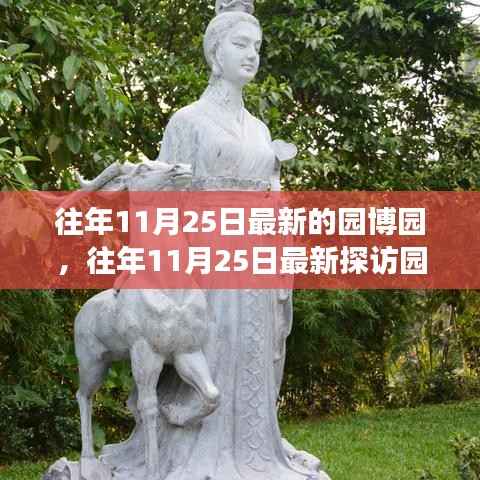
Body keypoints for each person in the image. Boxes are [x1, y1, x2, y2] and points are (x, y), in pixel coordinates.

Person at [101, 2, 330, 479]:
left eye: (257, 47)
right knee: (211, 345)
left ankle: (254, 444)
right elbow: (158, 196)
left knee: (255, 351)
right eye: (240, 44)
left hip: (258, 255)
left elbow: (272, 192)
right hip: (208, 256)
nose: (251, 54)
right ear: (214, 52)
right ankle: (193, 444)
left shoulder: (259, 129)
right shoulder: (188, 121)